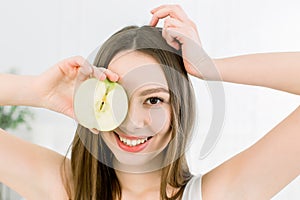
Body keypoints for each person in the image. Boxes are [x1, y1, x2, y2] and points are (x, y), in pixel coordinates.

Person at [0, 4, 299, 200]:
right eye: (117, 98)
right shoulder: (64, 189)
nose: (132, 120)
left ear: (177, 110)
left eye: (154, 99)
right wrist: (38, 92)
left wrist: (210, 67)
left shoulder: (219, 194)